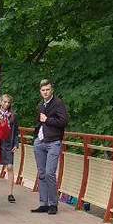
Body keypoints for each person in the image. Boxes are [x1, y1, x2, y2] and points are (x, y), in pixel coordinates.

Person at [32, 79, 69, 215]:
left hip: (53, 141)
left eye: (47, 89)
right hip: (40, 142)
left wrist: (47, 119)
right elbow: (39, 122)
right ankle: (43, 203)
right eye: (43, 90)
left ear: (51, 90)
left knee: (49, 173)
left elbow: (64, 121)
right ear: (40, 91)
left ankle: (53, 204)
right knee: (41, 173)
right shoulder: (40, 105)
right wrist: (36, 137)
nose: (45, 92)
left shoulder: (58, 103)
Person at [0, 94, 20, 203]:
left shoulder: (12, 116)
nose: (6, 104)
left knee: (10, 167)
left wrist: (15, 144)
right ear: (0, 102)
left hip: (8, 143)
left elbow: (16, 131)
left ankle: (10, 193)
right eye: (4, 102)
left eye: (8, 102)